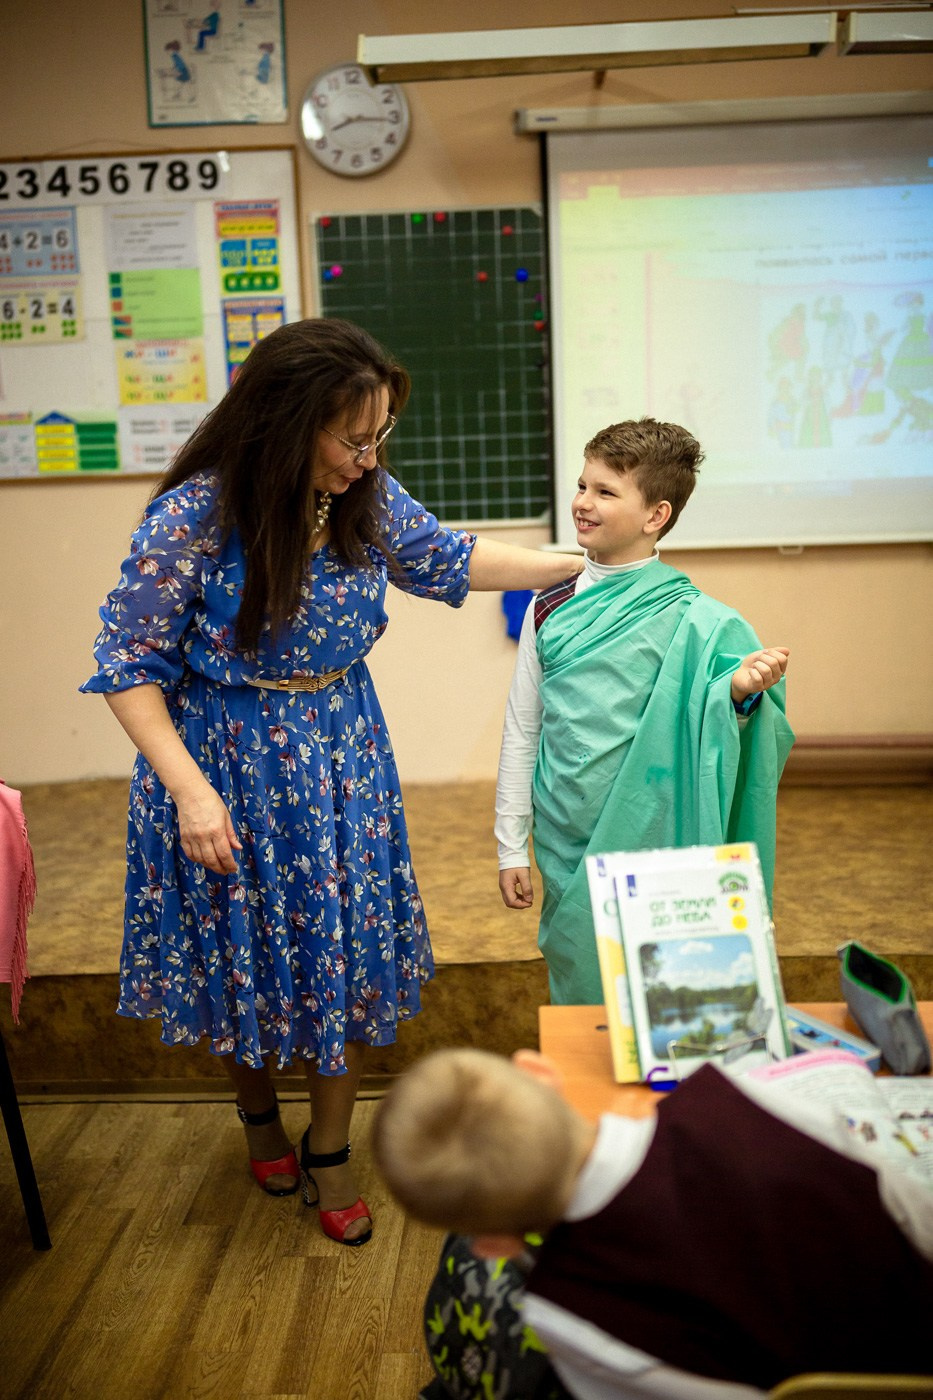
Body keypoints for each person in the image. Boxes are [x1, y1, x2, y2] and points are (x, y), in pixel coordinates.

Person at [81, 317, 582, 1245]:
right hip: (222, 759)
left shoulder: (361, 495)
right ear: (285, 421)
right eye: (354, 439)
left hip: (340, 750)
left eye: (379, 437)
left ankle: (332, 1148)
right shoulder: (195, 515)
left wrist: (586, 566)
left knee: (337, 952)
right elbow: (127, 663)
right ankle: (259, 1118)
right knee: (245, 957)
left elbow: (448, 560)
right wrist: (192, 793)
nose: (368, 458)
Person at [372, 1046, 933, 1400]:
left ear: (494, 1245)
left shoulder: (562, 1310)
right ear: (542, 1072)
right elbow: (908, 1207)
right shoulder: (730, 1090)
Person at [495, 418, 795, 1004]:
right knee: (583, 978)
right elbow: (523, 725)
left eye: (605, 492)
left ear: (656, 515)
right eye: (582, 486)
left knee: (664, 988)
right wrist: (511, 843)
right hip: (567, 833)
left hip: (656, 833)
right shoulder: (549, 605)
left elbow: (725, 728)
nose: (582, 503)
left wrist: (734, 694)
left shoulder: (700, 621)